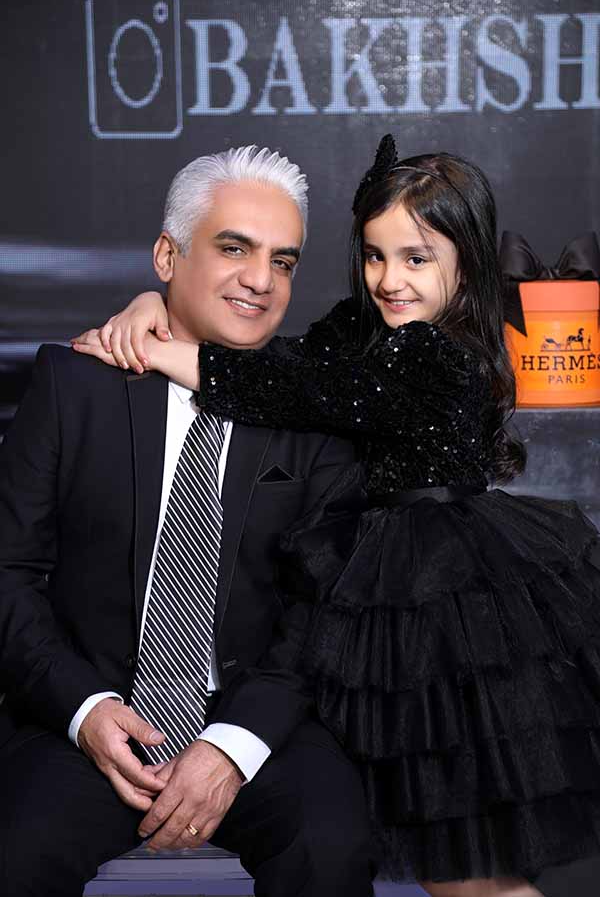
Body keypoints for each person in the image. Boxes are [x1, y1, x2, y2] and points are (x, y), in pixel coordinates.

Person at [76, 135, 600, 897]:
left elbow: (295, 391)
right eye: (375, 256)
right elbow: (282, 356)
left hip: (439, 607)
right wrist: (157, 305)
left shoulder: (438, 357)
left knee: (467, 873)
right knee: (445, 867)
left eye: (416, 258)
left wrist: (162, 352)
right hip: (386, 589)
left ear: (467, 264)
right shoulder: (367, 332)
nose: (389, 279)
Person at [0, 146, 376, 897]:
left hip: (258, 723)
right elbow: (7, 573)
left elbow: (324, 612)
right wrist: (84, 710)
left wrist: (232, 748)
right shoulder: (75, 385)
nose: (262, 279)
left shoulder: (318, 407)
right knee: (16, 853)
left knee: (330, 846)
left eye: (283, 260)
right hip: (85, 715)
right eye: (234, 248)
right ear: (167, 257)